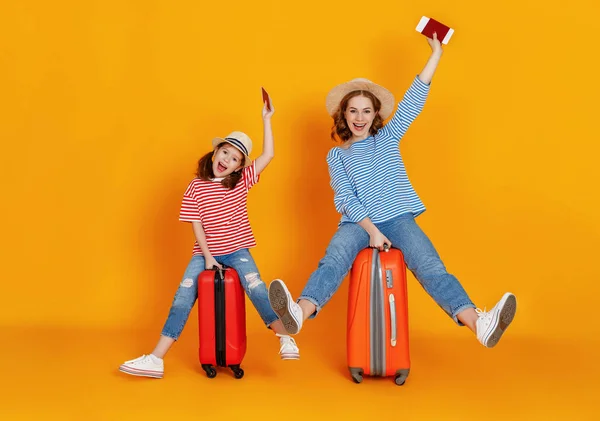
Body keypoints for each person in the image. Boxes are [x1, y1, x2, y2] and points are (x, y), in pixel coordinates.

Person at [268, 33, 517, 349]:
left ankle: (479, 325)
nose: (359, 117)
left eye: (366, 111)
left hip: (398, 217)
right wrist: (370, 230)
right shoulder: (337, 155)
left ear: (375, 115)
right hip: (357, 224)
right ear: (343, 114)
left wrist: (436, 53)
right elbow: (345, 197)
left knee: (431, 267)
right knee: (333, 261)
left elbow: (414, 99)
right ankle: (299, 314)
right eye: (353, 111)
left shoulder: (387, 138)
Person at [119, 94, 299, 379]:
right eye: (225, 152)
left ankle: (286, 336)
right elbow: (196, 224)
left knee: (255, 288)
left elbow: (269, 156)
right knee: (183, 296)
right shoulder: (195, 186)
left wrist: (266, 119)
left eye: (235, 158)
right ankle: (156, 359)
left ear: (240, 167)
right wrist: (208, 257)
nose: (227, 160)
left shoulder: (242, 181)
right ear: (215, 153)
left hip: (238, 249)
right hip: (206, 251)